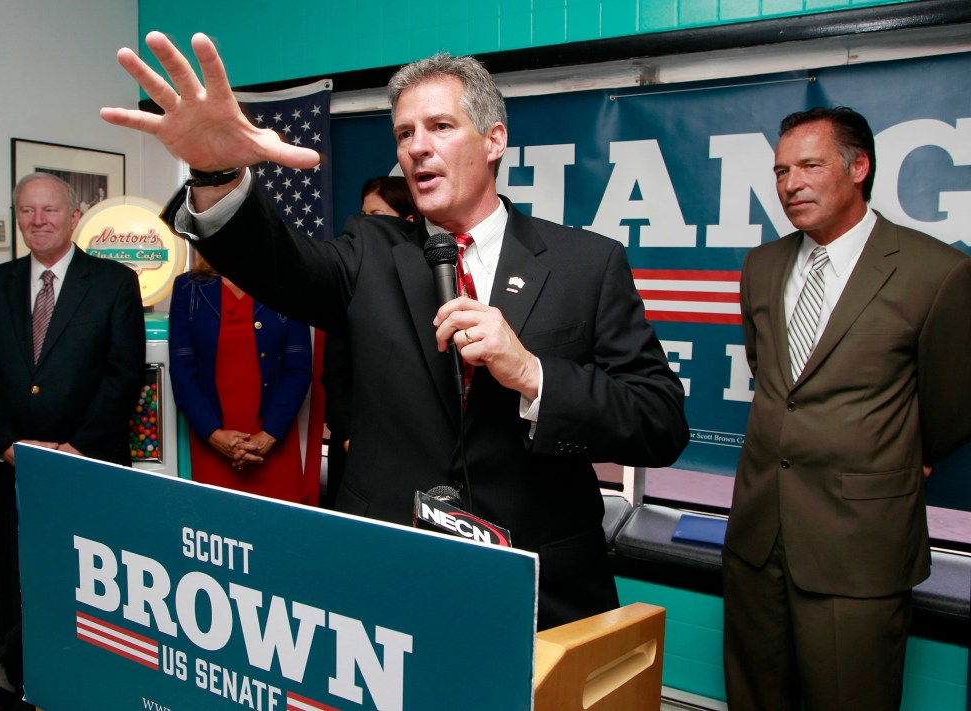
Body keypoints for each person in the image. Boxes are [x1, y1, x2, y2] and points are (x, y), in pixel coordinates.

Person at [102, 32, 689, 630]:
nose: (417, 149)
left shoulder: (586, 264)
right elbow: (276, 263)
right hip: (391, 580)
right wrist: (215, 169)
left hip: (542, 590)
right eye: (405, 134)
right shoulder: (370, 252)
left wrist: (535, 376)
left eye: (439, 127)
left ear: (494, 141)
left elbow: (660, 423)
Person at [724, 106, 971, 710]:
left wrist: (903, 452)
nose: (791, 185)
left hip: (859, 545)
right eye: (781, 171)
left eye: (809, 166)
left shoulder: (936, 273)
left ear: (859, 167)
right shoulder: (762, 265)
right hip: (759, 537)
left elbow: (951, 407)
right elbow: (776, 377)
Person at [0, 172, 146, 704]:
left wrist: (76, 452)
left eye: (49, 210)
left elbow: (124, 377)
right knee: (20, 589)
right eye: (27, 211)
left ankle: (90, 686)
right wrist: (9, 448)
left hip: (88, 470)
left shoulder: (114, 283)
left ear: (74, 217)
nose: (38, 221)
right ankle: (24, 685)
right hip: (12, 475)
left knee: (91, 589)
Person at [169, 248, 314, 503]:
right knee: (215, 529)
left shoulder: (287, 284)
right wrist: (214, 435)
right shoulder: (187, 288)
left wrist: (267, 436)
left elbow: (299, 370)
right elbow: (182, 372)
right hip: (211, 445)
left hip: (273, 443)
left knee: (278, 532)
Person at [322, 176, 419, 507]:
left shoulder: (437, 276)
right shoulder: (351, 279)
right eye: (362, 215)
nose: (364, 225)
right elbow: (335, 372)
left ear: (409, 221)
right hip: (356, 453)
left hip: (415, 455)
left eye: (375, 215)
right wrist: (349, 436)